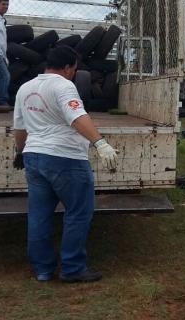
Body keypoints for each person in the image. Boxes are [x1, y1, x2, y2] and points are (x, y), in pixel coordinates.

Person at [13, 45, 118, 282]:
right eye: (74, 69)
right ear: (68, 67)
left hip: (33, 156)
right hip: (65, 158)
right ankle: (72, 268)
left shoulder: (25, 88)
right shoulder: (63, 86)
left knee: (39, 215)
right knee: (78, 212)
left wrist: (20, 152)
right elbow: (77, 116)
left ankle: (42, 269)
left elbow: (20, 128)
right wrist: (100, 143)